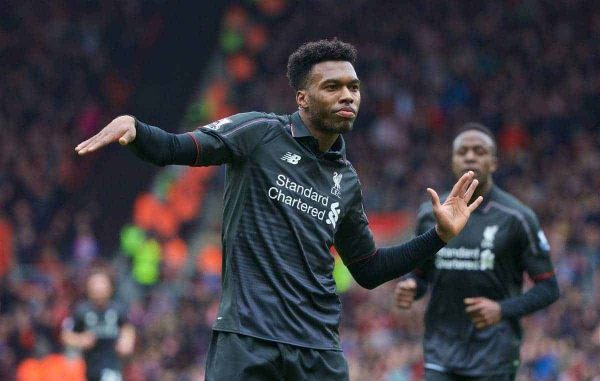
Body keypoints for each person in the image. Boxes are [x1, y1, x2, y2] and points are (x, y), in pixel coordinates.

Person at [76, 39, 483, 381]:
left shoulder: (347, 181)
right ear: (303, 98)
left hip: (317, 350)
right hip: (247, 342)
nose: (347, 95)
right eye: (333, 86)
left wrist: (438, 237)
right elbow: (179, 148)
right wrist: (136, 129)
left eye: (354, 87)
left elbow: (370, 268)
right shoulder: (260, 133)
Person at [394, 123, 560, 381]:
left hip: (494, 355)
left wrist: (502, 309)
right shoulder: (430, 216)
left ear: (493, 162)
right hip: (441, 352)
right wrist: (411, 287)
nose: (470, 156)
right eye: (463, 151)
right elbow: (422, 275)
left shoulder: (517, 218)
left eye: (479, 151)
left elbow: (549, 288)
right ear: (452, 161)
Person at [62, 270, 135, 381]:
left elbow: (128, 328)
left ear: (110, 287)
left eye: (102, 283)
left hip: (112, 366)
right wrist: (80, 340)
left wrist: (127, 340)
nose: (98, 288)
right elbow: (66, 335)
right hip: (88, 368)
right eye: (95, 284)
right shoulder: (81, 311)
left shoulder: (118, 310)